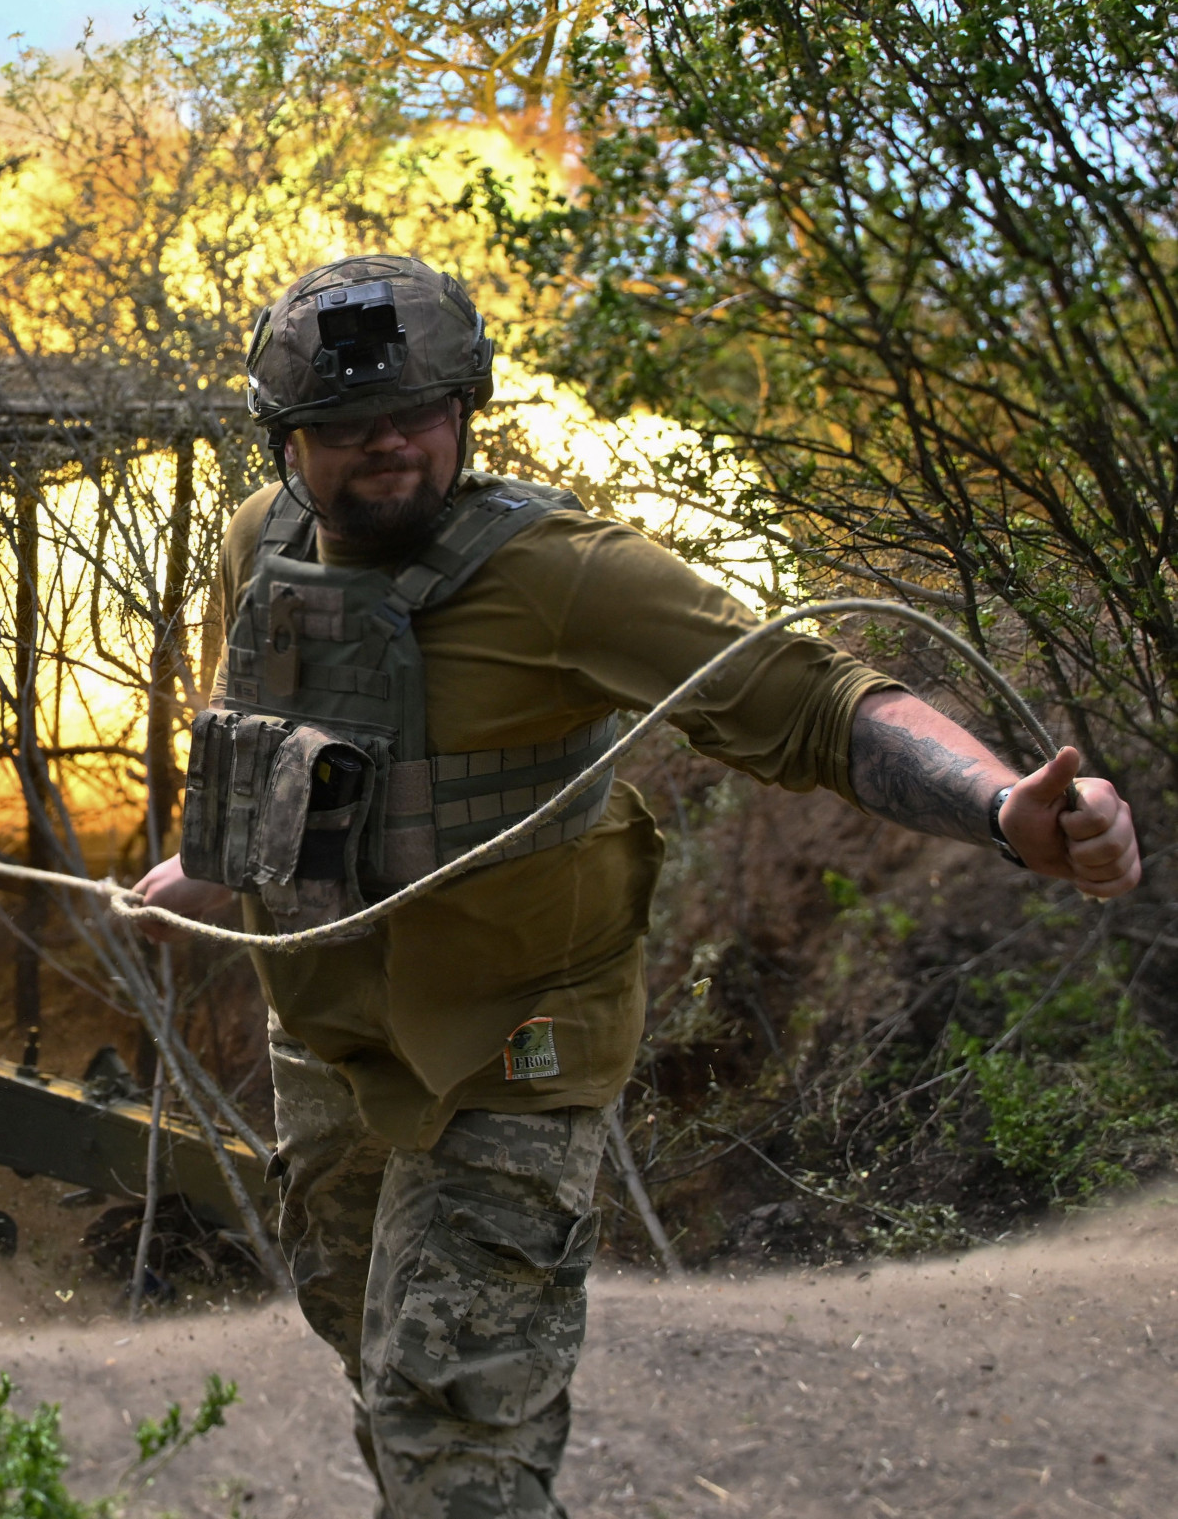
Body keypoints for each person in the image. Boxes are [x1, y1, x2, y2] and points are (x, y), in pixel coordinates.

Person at [131, 254, 1142, 1518]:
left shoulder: (566, 573)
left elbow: (813, 701)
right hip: (328, 1037)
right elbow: (262, 733)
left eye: (419, 410)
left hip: (512, 1045)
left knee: (453, 1427)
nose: (387, 442)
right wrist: (218, 856)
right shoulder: (255, 548)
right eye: (345, 422)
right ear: (286, 439)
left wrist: (1002, 809)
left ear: (467, 409)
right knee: (375, 1350)